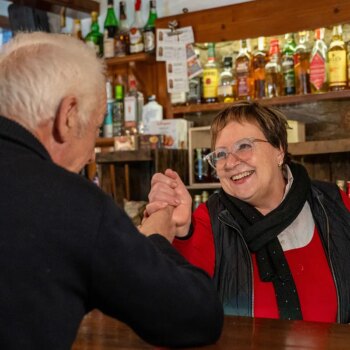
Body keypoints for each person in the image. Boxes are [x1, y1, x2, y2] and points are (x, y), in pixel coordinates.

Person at [0, 32, 223, 349]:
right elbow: (198, 317)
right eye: (94, 127)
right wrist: (156, 238)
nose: (92, 154)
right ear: (68, 116)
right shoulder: (71, 204)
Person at [146, 101, 350, 323]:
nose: (231, 162)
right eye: (220, 154)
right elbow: (175, 301)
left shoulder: (333, 203)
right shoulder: (211, 219)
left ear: (279, 149)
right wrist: (181, 232)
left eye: (244, 146)